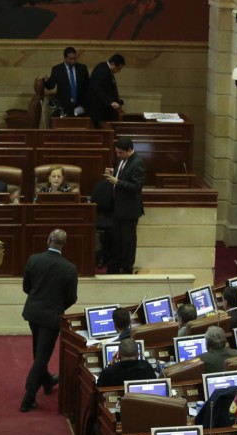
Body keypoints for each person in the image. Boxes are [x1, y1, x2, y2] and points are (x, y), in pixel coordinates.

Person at [20, 228, 78, 412]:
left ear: (48, 240)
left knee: (39, 353)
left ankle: (47, 382)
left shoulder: (34, 260)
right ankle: (28, 398)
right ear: (64, 244)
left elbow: (26, 287)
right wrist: (57, 307)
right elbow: (72, 297)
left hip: (33, 313)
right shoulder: (69, 268)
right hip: (51, 317)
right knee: (41, 356)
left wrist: (38, 300)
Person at [103, 137, 145, 274]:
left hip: (129, 210)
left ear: (129, 150)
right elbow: (121, 175)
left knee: (128, 241)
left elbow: (137, 186)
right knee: (117, 239)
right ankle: (115, 266)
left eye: (120, 153)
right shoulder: (122, 159)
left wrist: (117, 181)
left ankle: (127, 268)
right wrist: (113, 173)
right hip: (118, 207)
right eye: (117, 152)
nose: (118, 155)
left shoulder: (138, 163)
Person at [43, 46, 90, 117]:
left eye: (74, 58)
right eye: (70, 59)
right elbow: (51, 86)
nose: (73, 61)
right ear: (65, 58)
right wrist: (46, 81)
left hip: (79, 107)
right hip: (63, 107)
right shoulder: (57, 69)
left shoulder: (82, 69)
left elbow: (87, 86)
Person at [87, 53, 126, 127]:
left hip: (104, 109)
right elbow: (97, 89)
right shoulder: (102, 71)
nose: (119, 71)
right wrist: (110, 102)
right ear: (113, 64)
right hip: (99, 111)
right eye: (119, 68)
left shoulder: (106, 68)